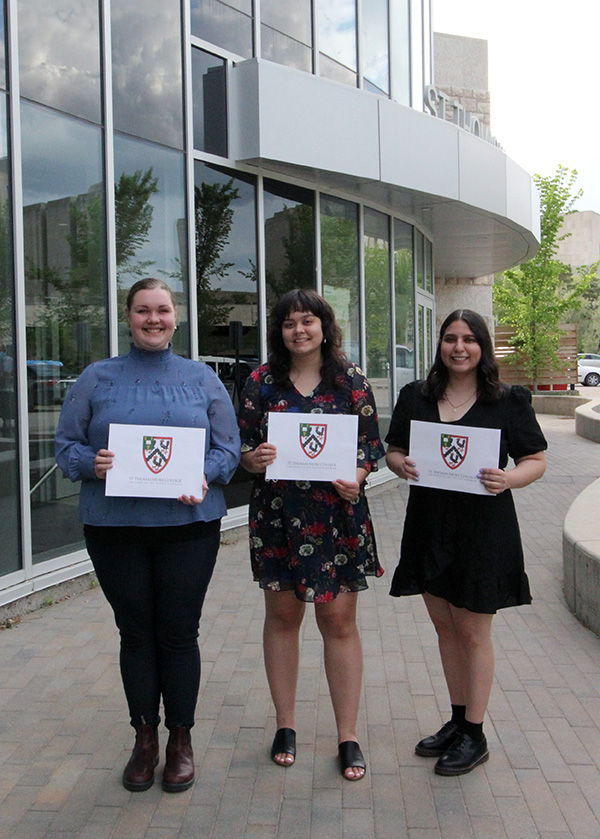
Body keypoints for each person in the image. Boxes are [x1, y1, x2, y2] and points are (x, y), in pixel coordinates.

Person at [55, 278, 240, 793]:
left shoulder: (202, 379)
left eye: (161, 310)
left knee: (179, 633)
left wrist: (203, 473)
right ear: (128, 317)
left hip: (188, 528)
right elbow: (66, 445)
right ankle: (144, 737)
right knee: (136, 633)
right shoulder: (97, 378)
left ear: (176, 317)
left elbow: (229, 449)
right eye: (142, 311)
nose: (152, 319)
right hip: (115, 528)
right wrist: (93, 462)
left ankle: (181, 738)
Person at [385, 309, 547, 776]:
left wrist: (509, 477)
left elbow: (535, 459)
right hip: (429, 527)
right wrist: (401, 466)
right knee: (444, 628)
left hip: (484, 531)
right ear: (440, 345)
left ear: (483, 346)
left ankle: (475, 734)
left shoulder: (507, 400)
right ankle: (457, 722)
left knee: (473, 633)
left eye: (469, 339)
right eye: (450, 338)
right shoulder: (416, 396)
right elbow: (394, 449)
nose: (459, 347)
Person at [237, 289, 384, 781]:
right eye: (288, 323)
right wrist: (251, 459)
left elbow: (370, 449)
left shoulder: (351, 382)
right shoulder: (261, 381)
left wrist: (359, 476)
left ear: (324, 326)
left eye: (307, 321)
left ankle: (348, 734)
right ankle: (285, 726)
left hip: (336, 518)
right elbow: (241, 447)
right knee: (282, 620)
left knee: (339, 624)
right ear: (278, 331)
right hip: (278, 518)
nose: (298, 331)